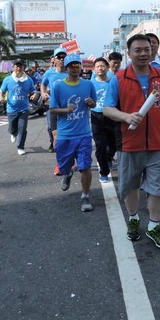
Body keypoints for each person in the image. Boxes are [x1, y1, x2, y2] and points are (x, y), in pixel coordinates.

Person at [103, 34, 160, 250]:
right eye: (138, 50)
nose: (143, 53)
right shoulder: (119, 78)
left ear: (152, 51)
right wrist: (126, 116)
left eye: (147, 49)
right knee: (131, 186)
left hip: (157, 142)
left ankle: (153, 226)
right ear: (129, 53)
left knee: (157, 188)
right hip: (129, 143)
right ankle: (134, 219)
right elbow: (107, 108)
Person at [49, 53, 97, 212]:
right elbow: (52, 109)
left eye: (77, 65)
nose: (75, 68)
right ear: (66, 68)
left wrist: (91, 103)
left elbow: (94, 103)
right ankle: (67, 173)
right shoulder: (58, 86)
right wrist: (66, 109)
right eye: (72, 66)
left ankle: (85, 196)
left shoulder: (88, 85)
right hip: (65, 135)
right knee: (64, 166)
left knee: (85, 167)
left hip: (83, 134)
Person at [0, 58, 36, 156]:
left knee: (22, 129)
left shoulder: (28, 80)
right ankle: (13, 132)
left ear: (23, 67)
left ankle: (20, 147)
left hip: (24, 108)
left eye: (20, 66)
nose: (18, 68)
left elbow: (34, 91)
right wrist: (1, 97)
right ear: (13, 67)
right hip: (11, 109)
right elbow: (1, 90)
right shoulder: (8, 79)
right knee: (12, 128)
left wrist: (33, 95)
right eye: (16, 66)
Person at [90, 57, 117, 183]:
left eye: (102, 66)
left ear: (107, 67)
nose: (100, 68)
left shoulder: (113, 81)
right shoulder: (91, 84)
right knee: (100, 145)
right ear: (94, 69)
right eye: (98, 66)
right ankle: (104, 172)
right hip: (97, 117)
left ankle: (109, 156)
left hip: (111, 116)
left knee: (114, 145)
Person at [41, 47, 67, 158]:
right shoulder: (49, 73)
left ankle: (69, 159)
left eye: (63, 57)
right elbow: (43, 84)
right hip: (54, 108)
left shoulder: (70, 72)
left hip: (67, 109)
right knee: (55, 135)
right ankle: (60, 161)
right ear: (54, 60)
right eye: (59, 57)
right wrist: (43, 93)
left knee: (67, 137)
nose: (61, 59)